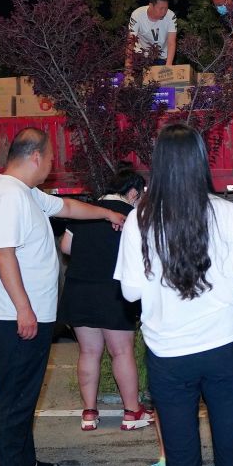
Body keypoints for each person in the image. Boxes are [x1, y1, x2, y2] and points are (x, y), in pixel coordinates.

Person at [115, 124, 233, 466]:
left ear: (159, 164)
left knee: (180, 453)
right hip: (222, 348)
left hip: (168, 354)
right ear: (200, 161)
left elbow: (129, 292)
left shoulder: (139, 219)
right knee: (231, 443)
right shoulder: (227, 213)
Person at [0, 128, 127, 466]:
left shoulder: (26, 193)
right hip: (13, 317)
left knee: (26, 396)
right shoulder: (7, 196)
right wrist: (24, 309)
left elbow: (69, 208)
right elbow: (3, 255)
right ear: (35, 157)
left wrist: (108, 212)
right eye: (50, 158)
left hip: (30, 315)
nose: (52, 166)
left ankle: (25, 464)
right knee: (12, 399)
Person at [60, 169, 156, 433]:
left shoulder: (86, 210)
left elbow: (66, 247)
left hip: (79, 288)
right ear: (133, 192)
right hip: (113, 291)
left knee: (88, 352)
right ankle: (131, 411)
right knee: (121, 351)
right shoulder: (133, 216)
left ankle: (89, 413)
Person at [127, 0, 178, 70]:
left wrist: (168, 66)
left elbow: (171, 42)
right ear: (151, 5)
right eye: (161, 8)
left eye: (166, 8)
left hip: (162, 56)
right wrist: (128, 68)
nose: (164, 12)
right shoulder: (137, 15)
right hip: (141, 55)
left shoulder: (171, 16)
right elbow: (131, 41)